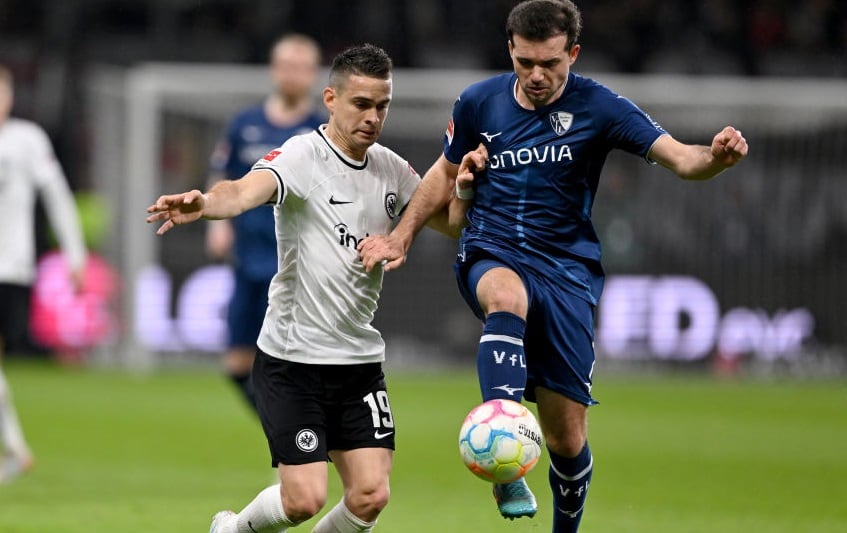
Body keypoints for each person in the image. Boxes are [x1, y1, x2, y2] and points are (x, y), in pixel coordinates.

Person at [357, 1, 749, 531]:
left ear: (574, 54)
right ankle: (504, 462)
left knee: (566, 438)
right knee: (505, 297)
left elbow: (683, 159)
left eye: (550, 64)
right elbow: (441, 176)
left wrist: (717, 158)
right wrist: (400, 236)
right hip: (491, 247)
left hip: (567, 270)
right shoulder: (478, 102)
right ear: (510, 51)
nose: (536, 75)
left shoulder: (602, 107)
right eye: (525, 63)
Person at [147, 44, 460, 533]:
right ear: (331, 99)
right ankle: (231, 530)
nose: (373, 117)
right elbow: (244, 190)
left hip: (357, 363)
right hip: (293, 361)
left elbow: (451, 223)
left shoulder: (394, 170)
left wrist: (465, 185)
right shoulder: (302, 155)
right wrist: (205, 203)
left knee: (370, 495)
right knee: (303, 500)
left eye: (382, 106)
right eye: (361, 104)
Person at [206, 34, 324, 413]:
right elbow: (222, 175)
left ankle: (300, 442)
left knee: (290, 364)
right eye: (286, 66)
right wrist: (217, 225)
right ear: (274, 71)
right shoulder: (245, 124)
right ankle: (291, 435)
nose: (293, 75)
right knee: (237, 364)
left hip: (297, 265)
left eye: (301, 68)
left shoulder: (321, 130)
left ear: (312, 75)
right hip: (248, 258)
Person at [0, 65, 87, 483]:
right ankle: (15, 447)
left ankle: (16, 447)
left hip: (10, 269)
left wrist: (75, 253)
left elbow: (57, 195)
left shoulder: (27, 140)